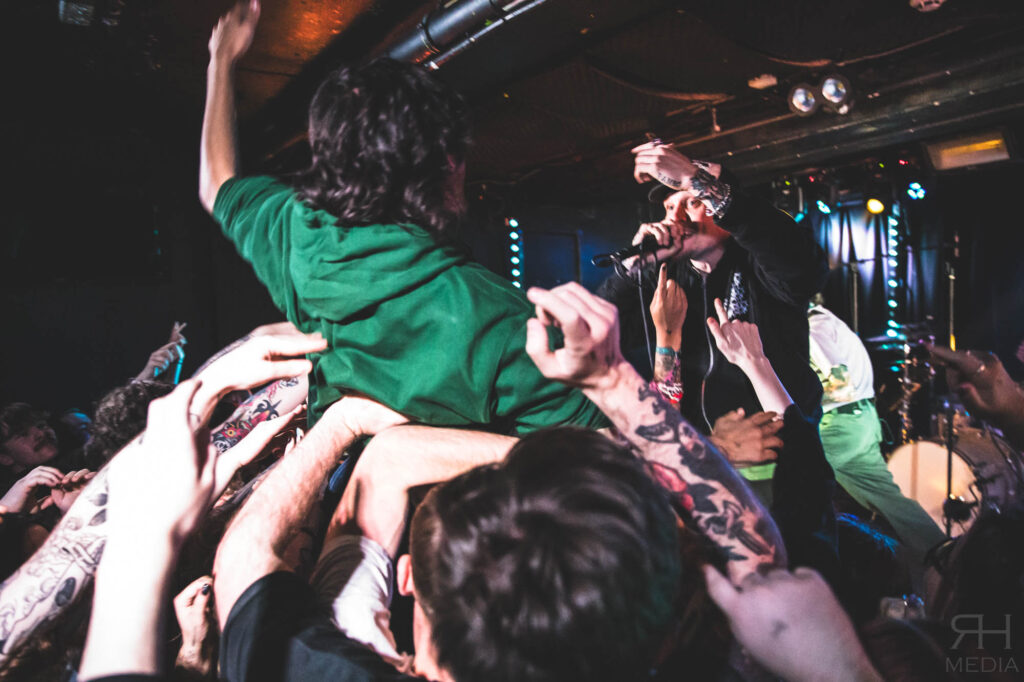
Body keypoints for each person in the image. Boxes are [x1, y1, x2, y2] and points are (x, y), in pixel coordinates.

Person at [211, 280, 784, 682]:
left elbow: (243, 561)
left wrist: (343, 420)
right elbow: (757, 555)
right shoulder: (702, 661)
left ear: (408, 582)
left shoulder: (342, 661)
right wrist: (611, 398)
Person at [199, 0, 606, 434]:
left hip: (335, 489)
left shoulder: (300, 232)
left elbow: (215, 185)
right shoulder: (497, 322)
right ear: (448, 163)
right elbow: (609, 456)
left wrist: (220, 59)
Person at [598, 141, 829, 497]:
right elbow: (601, 336)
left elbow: (801, 266)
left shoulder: (761, 266)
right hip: (705, 457)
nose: (675, 217)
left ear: (725, 207)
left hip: (777, 454)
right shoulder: (666, 278)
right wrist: (631, 273)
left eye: (691, 201)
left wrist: (695, 178)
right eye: (669, 206)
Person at [808, 302, 945, 564]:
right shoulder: (826, 320)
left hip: (840, 423)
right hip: (860, 419)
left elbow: (840, 386)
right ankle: (942, 555)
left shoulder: (813, 328)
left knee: (785, 468)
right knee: (890, 500)